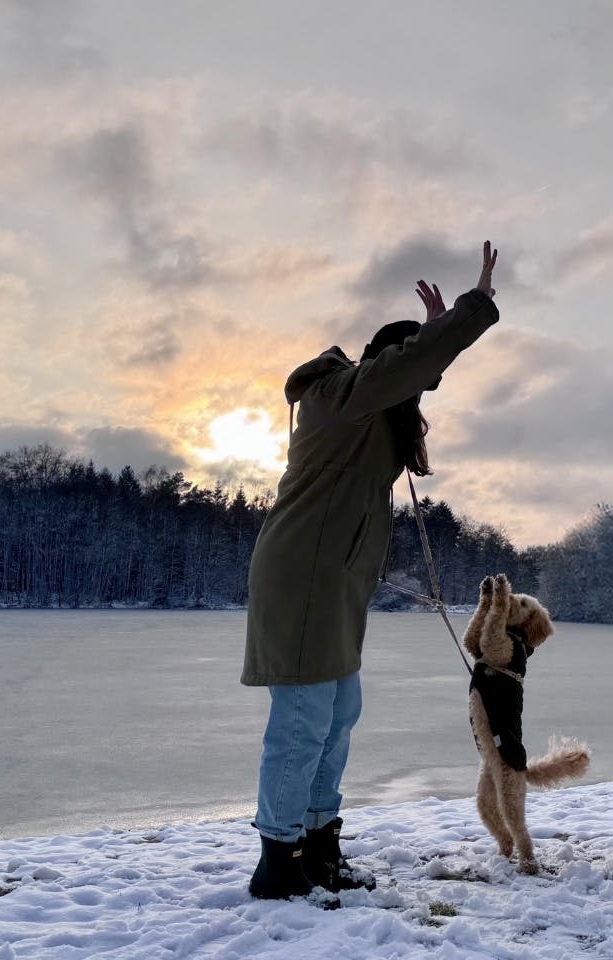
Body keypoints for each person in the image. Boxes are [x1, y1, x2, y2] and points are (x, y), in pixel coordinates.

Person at [242, 241, 501, 900]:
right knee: (302, 718)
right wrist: (463, 319)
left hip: (334, 582)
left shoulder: (368, 411)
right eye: (408, 374)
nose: (416, 396)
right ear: (385, 365)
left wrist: (437, 345)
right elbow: (406, 367)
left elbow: (415, 371)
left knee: (338, 711)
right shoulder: (339, 396)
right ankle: (278, 862)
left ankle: (320, 847)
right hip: (301, 576)